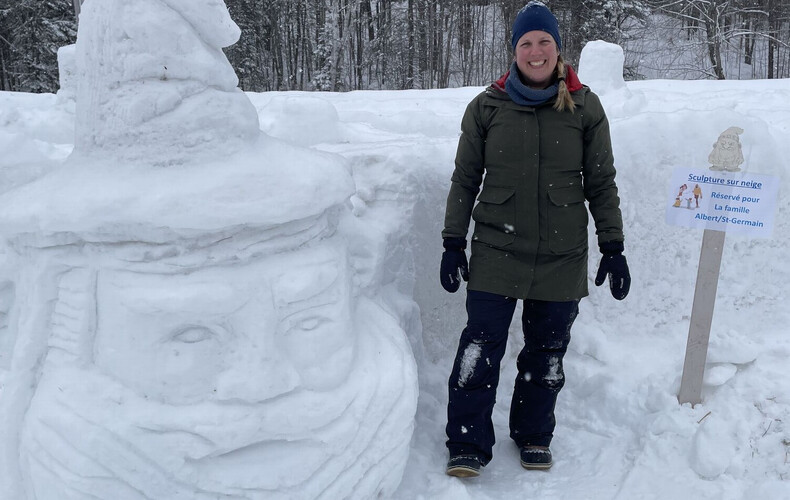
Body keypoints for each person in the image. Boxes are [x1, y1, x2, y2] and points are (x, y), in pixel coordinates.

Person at [439, 1, 630, 478]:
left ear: (557, 48)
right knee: (479, 348)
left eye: (544, 41)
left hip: (561, 254)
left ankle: (533, 434)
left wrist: (613, 246)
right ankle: (467, 442)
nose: (536, 50)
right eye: (526, 42)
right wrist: (451, 242)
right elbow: (465, 180)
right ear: (514, 51)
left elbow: (601, 182)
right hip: (496, 249)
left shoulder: (584, 106)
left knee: (546, 354)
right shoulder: (486, 106)